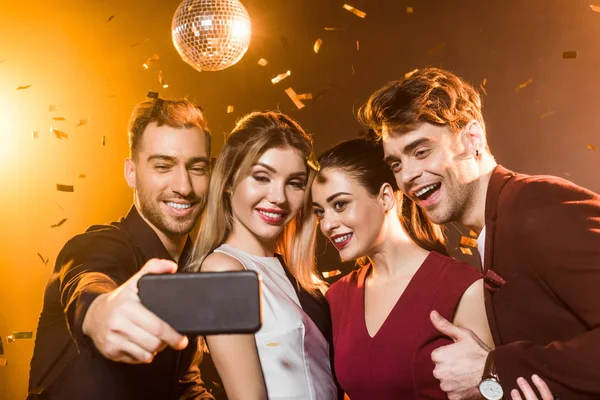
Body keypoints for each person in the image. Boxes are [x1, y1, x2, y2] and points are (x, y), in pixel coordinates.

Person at [359, 67, 600, 400]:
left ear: (473, 138)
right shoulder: (495, 228)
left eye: (421, 151)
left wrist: (493, 369)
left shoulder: (536, 204)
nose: (409, 175)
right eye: (396, 164)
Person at [28, 94, 215, 400]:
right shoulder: (96, 244)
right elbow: (88, 281)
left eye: (196, 168)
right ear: (131, 172)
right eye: (163, 166)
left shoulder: (194, 267)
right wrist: (101, 313)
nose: (184, 186)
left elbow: (181, 384)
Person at [307, 138, 492, 399]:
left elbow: (490, 389)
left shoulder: (463, 287)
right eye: (320, 212)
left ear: (384, 197)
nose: (327, 225)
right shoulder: (336, 297)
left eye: (340, 205)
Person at [186, 111, 338, 400]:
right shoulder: (223, 272)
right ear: (229, 181)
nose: (278, 197)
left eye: (294, 182)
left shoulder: (294, 275)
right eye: (261, 177)